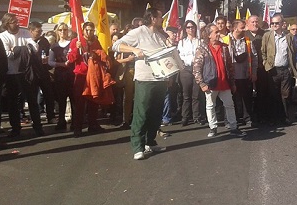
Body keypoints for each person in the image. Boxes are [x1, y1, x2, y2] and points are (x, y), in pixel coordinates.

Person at [112, 8, 169, 160]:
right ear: (152, 18)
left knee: (156, 113)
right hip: (145, 79)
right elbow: (116, 45)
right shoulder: (138, 32)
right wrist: (134, 50)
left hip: (161, 79)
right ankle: (138, 146)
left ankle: (150, 142)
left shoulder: (159, 35)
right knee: (142, 113)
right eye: (159, 16)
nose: (162, 19)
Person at [193, 23, 244, 138]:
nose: (218, 34)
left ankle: (233, 127)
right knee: (210, 106)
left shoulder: (224, 47)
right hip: (210, 83)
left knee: (229, 105)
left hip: (224, 82)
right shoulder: (202, 49)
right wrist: (201, 83)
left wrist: (232, 82)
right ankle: (213, 127)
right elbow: (196, 67)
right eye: (215, 32)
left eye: (218, 32)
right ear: (209, 35)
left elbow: (230, 67)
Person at [0, 13, 44, 137]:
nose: (18, 24)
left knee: (32, 101)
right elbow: (8, 54)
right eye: (14, 22)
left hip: (26, 73)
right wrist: (23, 49)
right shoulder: (2, 37)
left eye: (18, 21)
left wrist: (17, 49)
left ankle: (38, 126)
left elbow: (34, 47)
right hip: (11, 74)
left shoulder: (24, 32)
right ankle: (15, 128)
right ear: (7, 24)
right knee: (13, 102)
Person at [67, 21, 108, 137]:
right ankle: (77, 127)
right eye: (87, 30)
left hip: (93, 75)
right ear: (83, 30)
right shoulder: (76, 41)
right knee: (79, 102)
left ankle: (93, 125)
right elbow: (70, 58)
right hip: (81, 75)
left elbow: (101, 55)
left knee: (93, 100)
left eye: (91, 30)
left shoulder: (96, 41)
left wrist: (96, 55)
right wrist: (76, 48)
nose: (89, 32)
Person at [261, 14, 297, 125]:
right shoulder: (267, 36)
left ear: (282, 24)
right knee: (273, 95)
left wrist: (292, 69)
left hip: (285, 70)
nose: (274, 25)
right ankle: (274, 118)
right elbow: (263, 52)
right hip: (272, 70)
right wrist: (266, 64)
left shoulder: (289, 36)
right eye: (272, 23)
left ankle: (286, 117)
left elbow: (293, 52)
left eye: (277, 23)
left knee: (286, 95)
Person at [177, 20, 206, 126]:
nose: (190, 29)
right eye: (188, 27)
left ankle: (197, 117)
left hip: (197, 69)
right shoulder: (182, 42)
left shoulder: (199, 41)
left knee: (196, 94)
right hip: (186, 69)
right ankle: (185, 117)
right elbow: (179, 56)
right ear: (185, 29)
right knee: (186, 95)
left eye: (192, 27)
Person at [229, 19, 258, 125]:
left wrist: (254, 72)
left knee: (247, 98)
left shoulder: (248, 41)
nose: (245, 29)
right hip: (232, 76)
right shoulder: (225, 40)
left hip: (246, 75)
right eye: (242, 27)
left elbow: (254, 57)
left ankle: (247, 118)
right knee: (233, 99)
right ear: (235, 28)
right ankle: (235, 119)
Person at [49, 23, 74, 132]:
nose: (63, 32)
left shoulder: (72, 44)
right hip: (59, 75)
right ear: (57, 32)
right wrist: (61, 64)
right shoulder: (54, 46)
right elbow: (50, 62)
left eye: (65, 29)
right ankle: (61, 121)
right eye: (60, 30)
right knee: (61, 99)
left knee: (73, 99)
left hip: (71, 74)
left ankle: (75, 121)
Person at [29, 21, 55, 123]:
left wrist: (48, 59)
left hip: (43, 71)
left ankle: (51, 116)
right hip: (32, 72)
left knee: (49, 94)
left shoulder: (44, 41)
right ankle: (35, 118)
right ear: (31, 31)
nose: (40, 33)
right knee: (33, 97)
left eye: (41, 31)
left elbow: (48, 53)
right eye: (37, 31)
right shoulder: (27, 41)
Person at [246, 15, 269, 124]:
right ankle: (250, 116)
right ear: (247, 23)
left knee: (262, 92)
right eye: (252, 22)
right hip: (248, 69)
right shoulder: (245, 35)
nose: (255, 24)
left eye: (256, 22)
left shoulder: (265, 34)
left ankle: (262, 115)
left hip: (262, 68)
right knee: (249, 93)